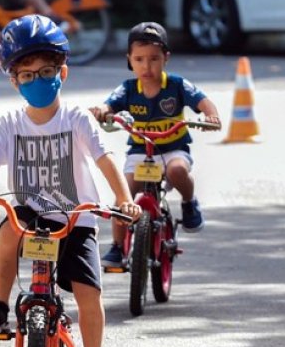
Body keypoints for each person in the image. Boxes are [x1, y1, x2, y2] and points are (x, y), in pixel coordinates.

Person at [0, 15, 139, 347]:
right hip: (32, 215)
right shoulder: (9, 123)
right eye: (27, 74)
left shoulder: (76, 119)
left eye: (47, 71)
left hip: (77, 217)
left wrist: (124, 199)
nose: (37, 80)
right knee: (8, 228)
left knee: (89, 293)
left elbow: (105, 159)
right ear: (14, 80)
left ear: (63, 72)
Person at [89, 22, 221, 263]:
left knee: (178, 170)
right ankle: (118, 246)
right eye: (139, 59)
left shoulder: (177, 85)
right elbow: (110, 104)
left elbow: (203, 101)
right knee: (124, 195)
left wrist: (211, 115)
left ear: (166, 58)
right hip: (141, 151)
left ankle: (189, 202)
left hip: (174, 149)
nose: (146, 66)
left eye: (154, 58)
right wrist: (102, 110)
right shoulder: (128, 89)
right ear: (129, 59)